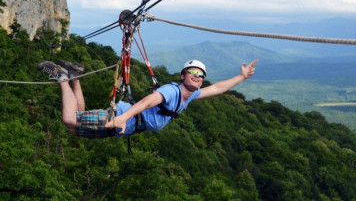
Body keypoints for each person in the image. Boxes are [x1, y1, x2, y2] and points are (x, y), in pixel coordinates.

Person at [37, 59, 258, 138]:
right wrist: (122, 120)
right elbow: (145, 102)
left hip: (127, 125)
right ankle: (63, 78)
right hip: (124, 119)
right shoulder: (172, 91)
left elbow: (218, 88)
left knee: (75, 127)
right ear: (182, 76)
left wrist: (241, 76)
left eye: (200, 75)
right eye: (192, 72)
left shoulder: (190, 95)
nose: (197, 76)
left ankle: (75, 77)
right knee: (69, 120)